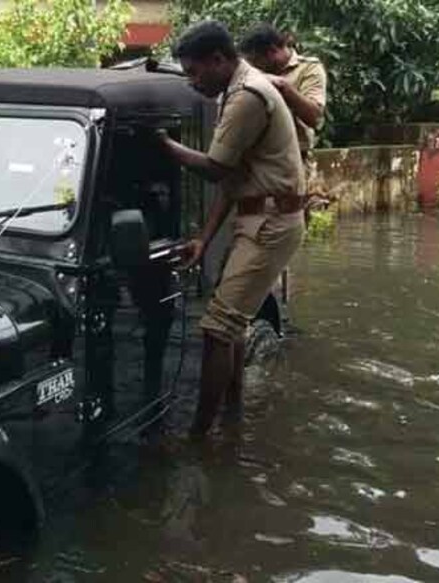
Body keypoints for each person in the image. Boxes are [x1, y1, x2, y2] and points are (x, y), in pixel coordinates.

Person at [156, 21, 306, 438]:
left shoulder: (247, 96)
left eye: (195, 72)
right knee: (233, 324)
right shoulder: (237, 89)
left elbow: (215, 168)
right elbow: (232, 179)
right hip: (259, 215)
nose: (192, 81)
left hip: (271, 222)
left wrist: (166, 146)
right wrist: (204, 238)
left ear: (219, 60)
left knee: (216, 328)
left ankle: (200, 438)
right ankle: (233, 416)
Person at [239, 23, 327, 197]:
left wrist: (282, 87)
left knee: (290, 215)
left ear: (271, 51)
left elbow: (314, 117)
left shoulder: (309, 68)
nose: (254, 66)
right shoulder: (255, 72)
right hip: (257, 158)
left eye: (256, 61)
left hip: (293, 159)